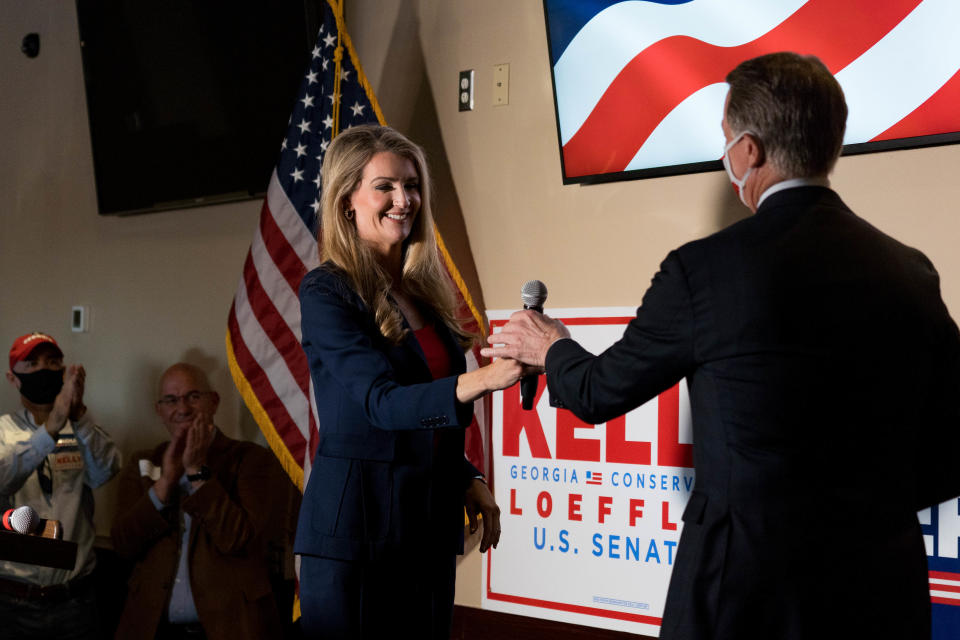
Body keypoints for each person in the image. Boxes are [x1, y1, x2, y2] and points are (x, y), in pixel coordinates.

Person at [483, 52, 960, 640]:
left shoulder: (702, 271)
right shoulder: (911, 271)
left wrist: (550, 345)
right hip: (883, 589)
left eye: (726, 139)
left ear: (748, 150)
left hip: (746, 592)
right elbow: (953, 447)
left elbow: (598, 392)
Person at [295, 124, 524, 639]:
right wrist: (485, 380)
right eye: (386, 187)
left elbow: (428, 415)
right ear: (347, 199)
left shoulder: (424, 291)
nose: (404, 200)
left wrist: (468, 477)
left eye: (412, 185)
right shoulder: (327, 291)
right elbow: (382, 403)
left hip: (427, 530)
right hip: (357, 536)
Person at [111, 363, 292, 640]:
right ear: (159, 410)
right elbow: (123, 543)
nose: (182, 408)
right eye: (171, 400)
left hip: (229, 629)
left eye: (193, 396)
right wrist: (165, 483)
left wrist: (197, 470)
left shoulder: (251, 459)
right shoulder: (143, 462)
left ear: (214, 401)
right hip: (153, 628)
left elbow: (239, 539)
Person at [0, 332, 122, 639]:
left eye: (53, 362)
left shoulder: (81, 429)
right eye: (34, 363)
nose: (45, 369)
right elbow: (4, 477)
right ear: (13, 378)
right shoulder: (2, 431)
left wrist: (77, 415)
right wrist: (51, 427)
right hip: (14, 602)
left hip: (75, 601)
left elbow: (107, 471)